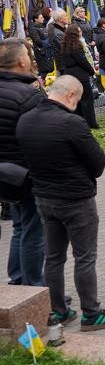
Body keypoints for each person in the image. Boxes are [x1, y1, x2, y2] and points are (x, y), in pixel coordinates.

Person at [18, 76, 105, 331]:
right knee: (85, 257)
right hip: (76, 200)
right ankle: (91, 313)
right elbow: (98, 162)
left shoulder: (26, 120)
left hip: (44, 198)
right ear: (69, 96)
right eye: (77, 100)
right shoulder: (71, 122)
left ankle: (58, 310)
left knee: (53, 257)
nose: (77, 104)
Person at [1, 39, 45, 287]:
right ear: (21, 61)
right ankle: (33, 288)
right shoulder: (28, 96)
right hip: (27, 172)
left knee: (20, 227)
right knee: (33, 232)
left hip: (6, 173)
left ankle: (17, 279)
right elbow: (40, 137)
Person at [59, 23, 98, 129]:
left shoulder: (65, 45)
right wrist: (92, 71)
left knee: (76, 101)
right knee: (87, 100)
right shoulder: (76, 46)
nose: (81, 33)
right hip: (80, 75)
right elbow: (83, 61)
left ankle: (79, 122)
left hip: (70, 74)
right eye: (79, 31)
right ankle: (90, 123)